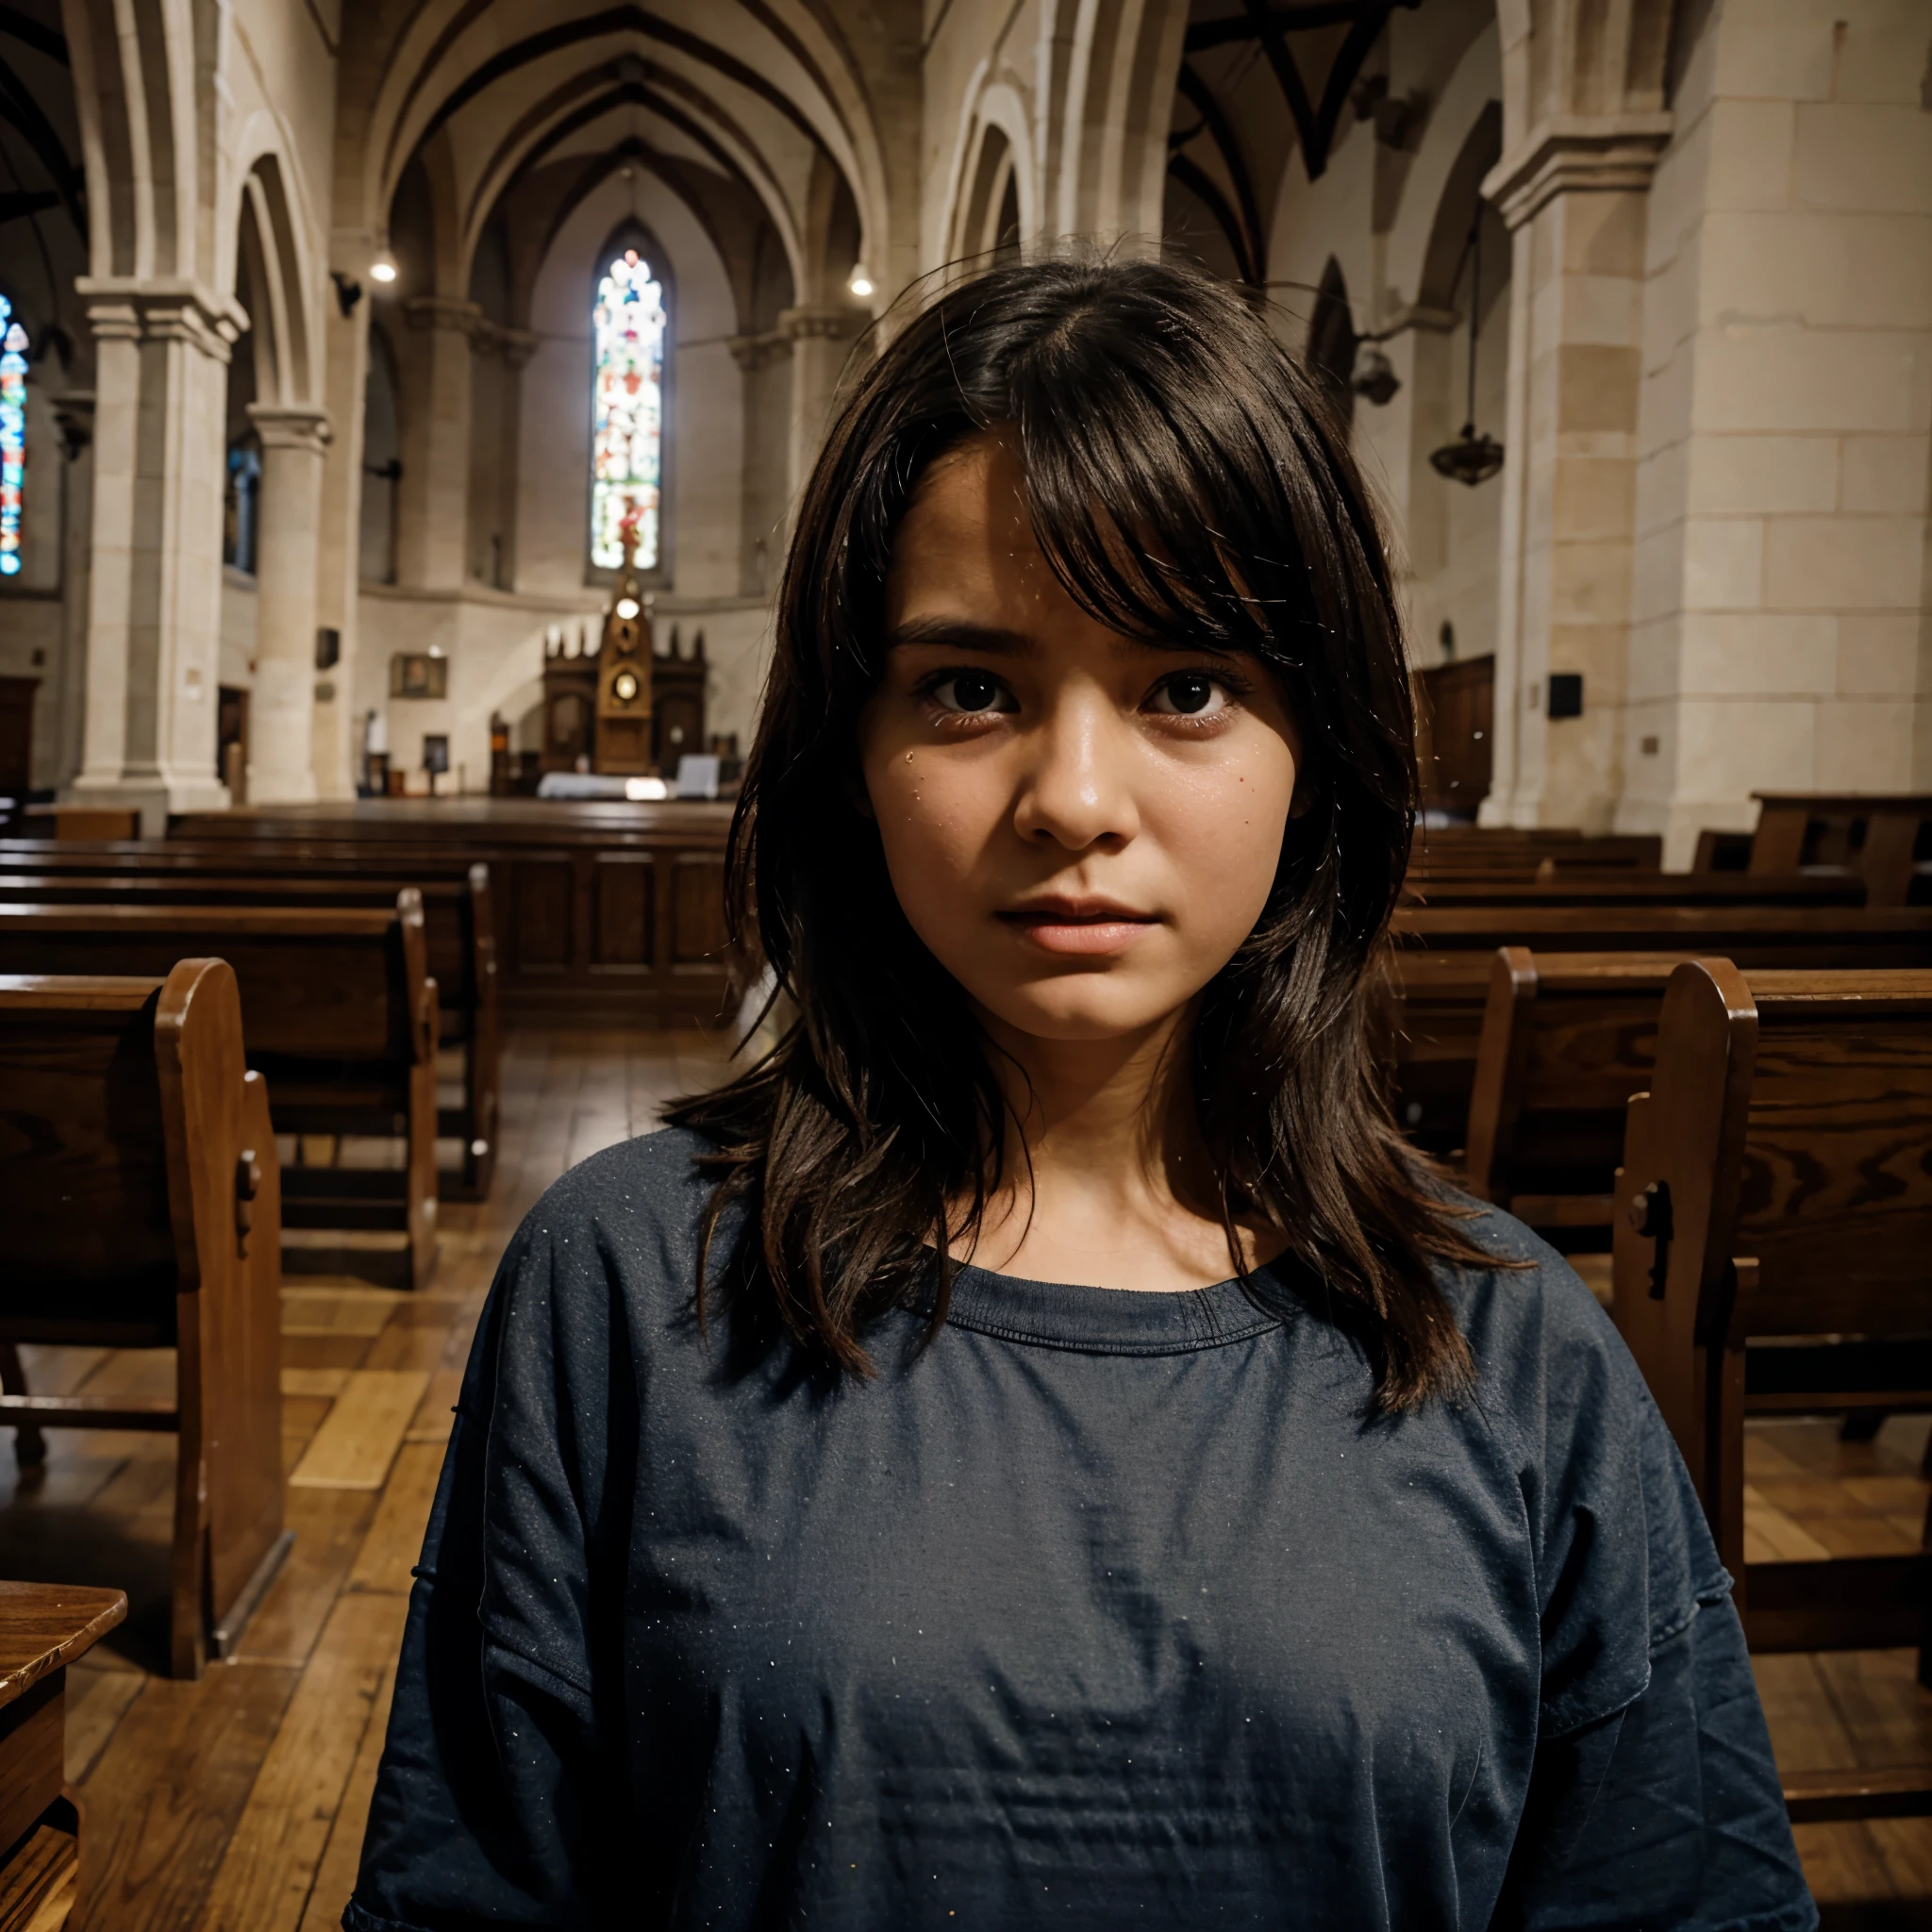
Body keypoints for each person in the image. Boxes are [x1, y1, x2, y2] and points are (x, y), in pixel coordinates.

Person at [345, 256, 1815, 1932]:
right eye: (972, 688)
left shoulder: (1515, 1345)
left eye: (1186, 686)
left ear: (1317, 744)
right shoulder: (620, 1290)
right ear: (850, 742)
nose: (1074, 799)